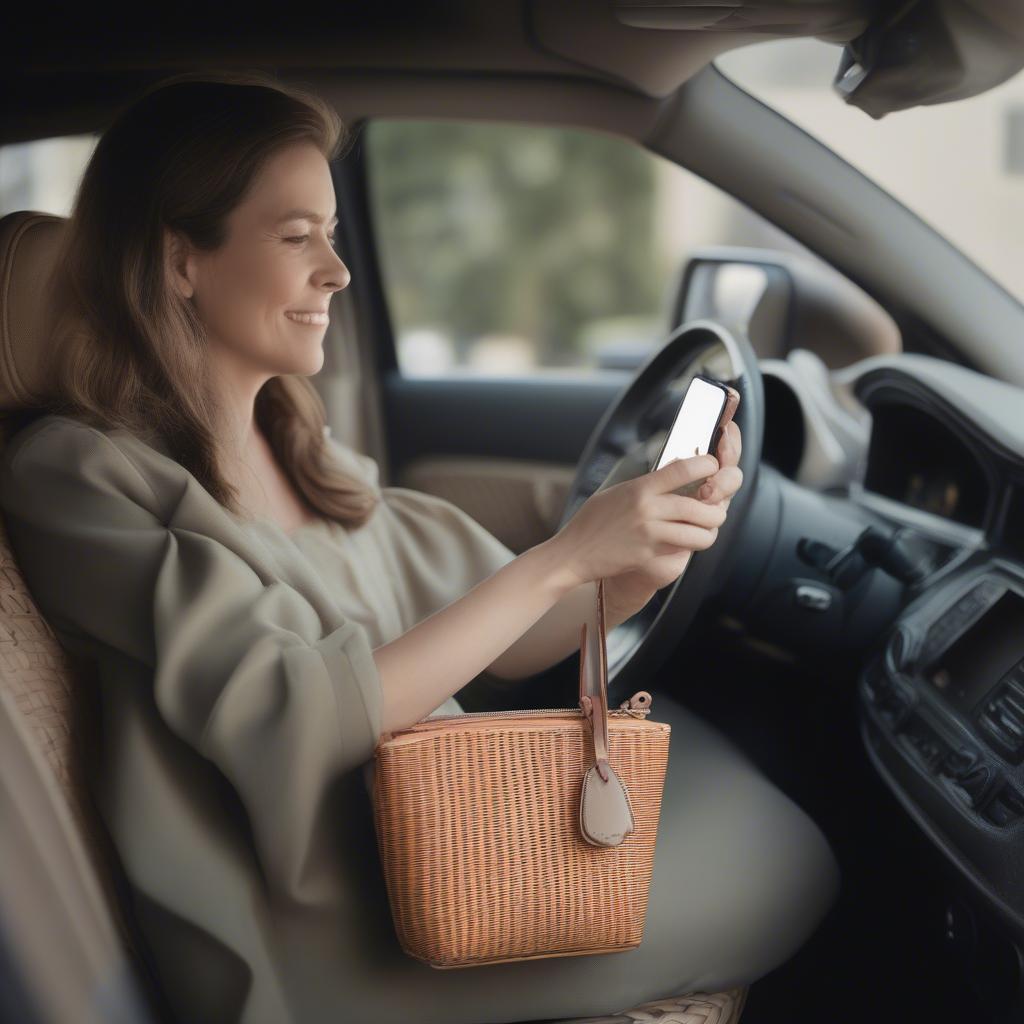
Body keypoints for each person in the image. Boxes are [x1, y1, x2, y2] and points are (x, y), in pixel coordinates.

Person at [0, 70, 840, 1024]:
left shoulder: (305, 452)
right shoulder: (76, 476)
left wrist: (636, 557)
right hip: (329, 933)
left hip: (447, 844)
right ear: (179, 260)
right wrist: (565, 557)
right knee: (790, 851)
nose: (336, 271)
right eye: (294, 236)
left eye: (333, 232)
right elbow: (299, 719)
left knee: (761, 803)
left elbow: (503, 628)